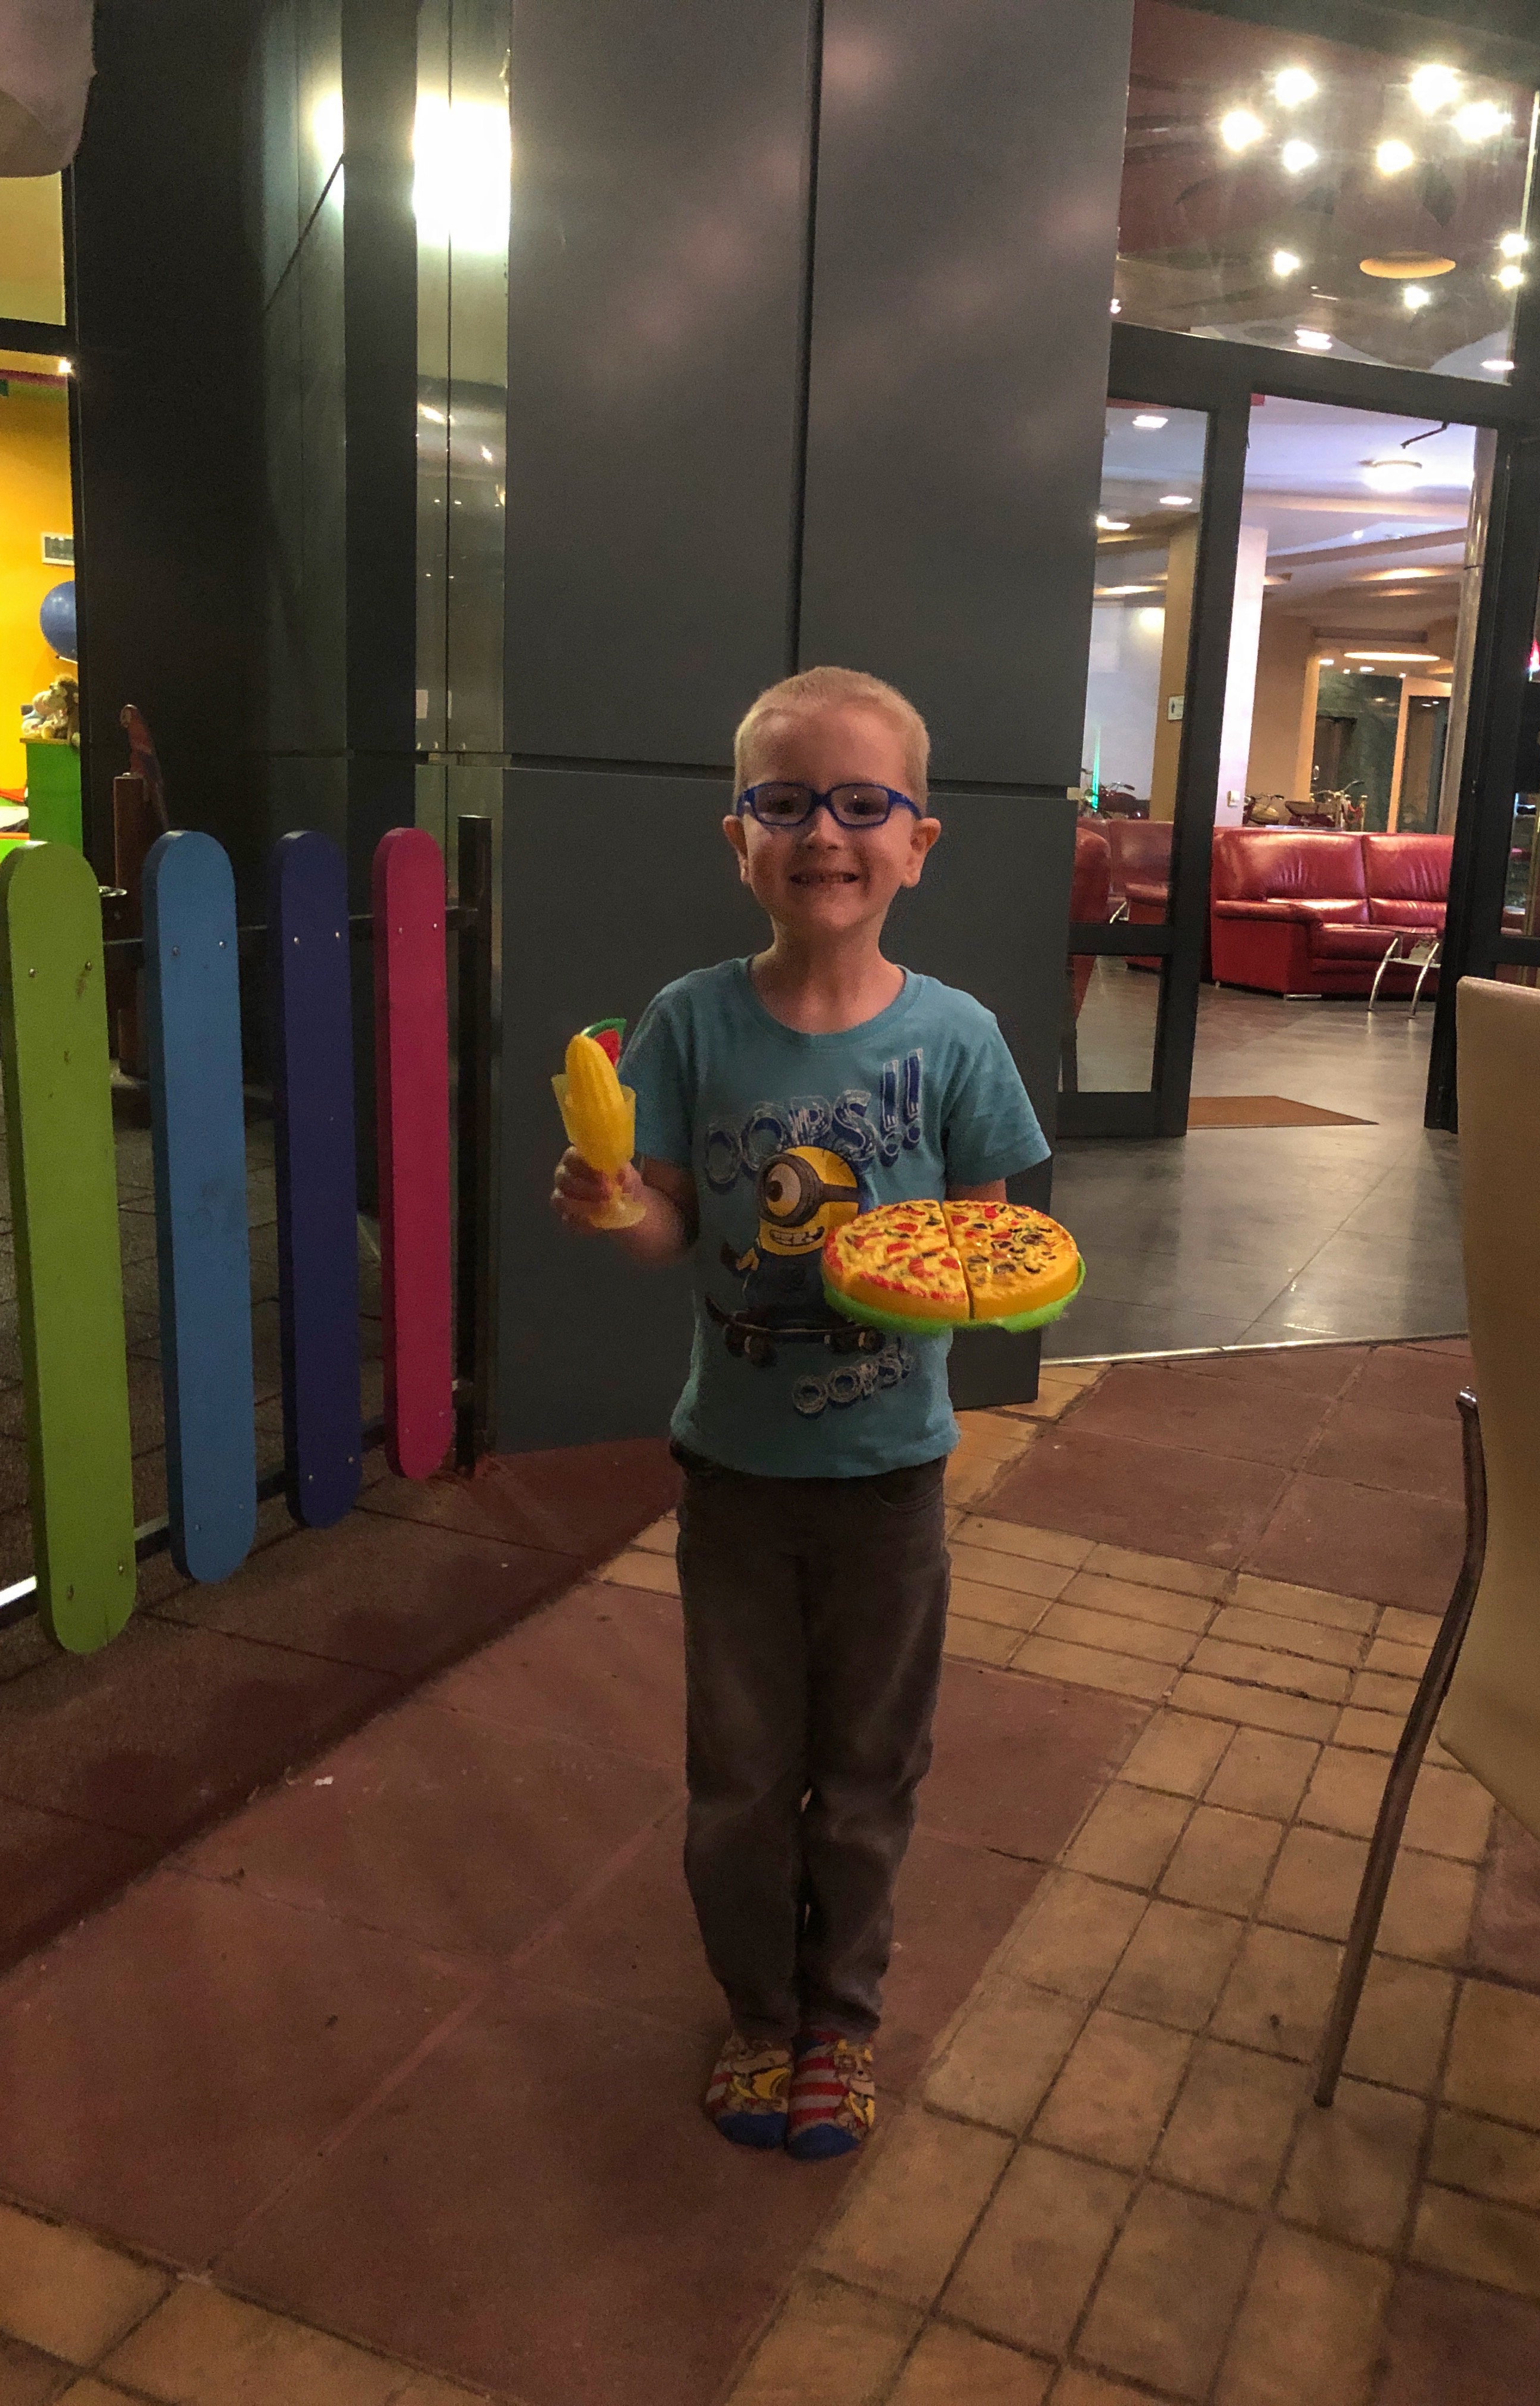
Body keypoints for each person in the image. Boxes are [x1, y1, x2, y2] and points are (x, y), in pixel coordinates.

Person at [551, 666, 1050, 2161]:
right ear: (740, 840)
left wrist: (943, 1279)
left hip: (892, 1474)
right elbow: (668, 1228)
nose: (821, 832)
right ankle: (761, 2015)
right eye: (783, 802)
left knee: (870, 1772)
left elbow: (990, 1237)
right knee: (741, 1777)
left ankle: (841, 2017)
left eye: (859, 803)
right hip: (737, 1469)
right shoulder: (691, 1024)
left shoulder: (958, 1038)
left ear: (918, 843)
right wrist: (615, 1204)